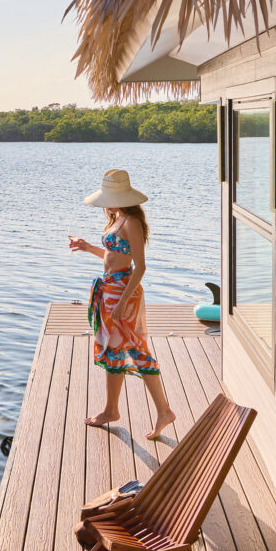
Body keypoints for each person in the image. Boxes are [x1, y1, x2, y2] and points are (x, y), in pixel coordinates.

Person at [69, 168, 175, 440]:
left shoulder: (131, 223)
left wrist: (121, 303)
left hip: (122, 293)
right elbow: (112, 254)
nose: (105, 203)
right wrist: (87, 247)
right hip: (110, 289)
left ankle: (158, 411)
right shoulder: (117, 217)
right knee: (115, 350)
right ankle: (113, 409)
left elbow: (139, 267)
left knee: (134, 350)